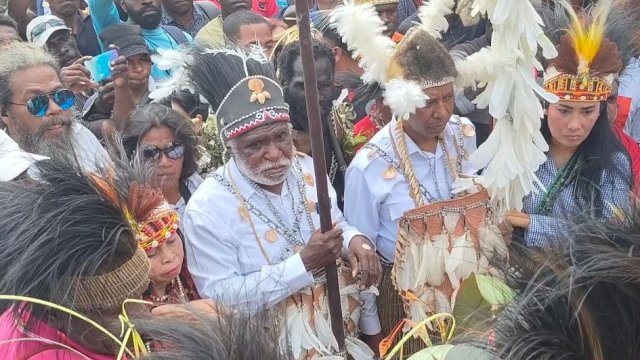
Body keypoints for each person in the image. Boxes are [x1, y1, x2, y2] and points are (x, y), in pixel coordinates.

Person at [163, 45, 381, 358]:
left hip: (341, 332)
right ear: (232, 146)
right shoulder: (207, 209)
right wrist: (302, 264)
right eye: (257, 145)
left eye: (281, 137)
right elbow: (221, 300)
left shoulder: (307, 169)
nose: (275, 154)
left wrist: (354, 240)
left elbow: (335, 223)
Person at [505, 3, 634, 247]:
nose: (575, 125)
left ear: (600, 111)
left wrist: (530, 222)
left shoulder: (613, 163)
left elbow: (609, 239)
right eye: (563, 110)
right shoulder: (518, 151)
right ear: (545, 106)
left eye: (587, 111)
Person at [0, 156, 152, 358]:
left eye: (142, 293)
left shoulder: (49, 317)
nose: (145, 319)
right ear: (53, 314)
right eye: (115, 312)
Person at [278, 39, 361, 209]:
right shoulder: (275, 141)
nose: (316, 96)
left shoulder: (339, 123)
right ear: (285, 86)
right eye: (303, 86)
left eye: (324, 85)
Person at [0, 42, 109, 171]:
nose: (56, 109)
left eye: (61, 96)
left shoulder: (78, 134)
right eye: (37, 103)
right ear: (5, 113)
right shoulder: (8, 175)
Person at [123, 104, 203, 218]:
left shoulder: (197, 187)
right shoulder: (126, 209)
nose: (164, 162)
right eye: (149, 153)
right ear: (131, 157)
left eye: (173, 148)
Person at [82, 23, 155, 140]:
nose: (139, 68)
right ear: (112, 67)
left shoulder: (167, 94)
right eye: (128, 62)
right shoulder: (99, 103)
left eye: (143, 59)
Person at [88, 0, 192, 80]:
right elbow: (100, 6)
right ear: (123, 5)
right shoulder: (117, 35)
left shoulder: (182, 37)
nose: (147, 1)